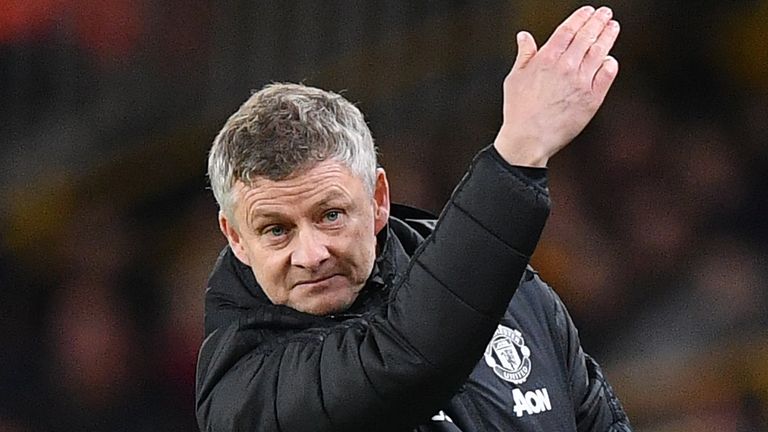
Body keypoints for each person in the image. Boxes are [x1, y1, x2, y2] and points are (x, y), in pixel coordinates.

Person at [196, 5, 631, 431]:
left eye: (330, 215)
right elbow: (405, 359)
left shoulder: (511, 288)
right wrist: (518, 153)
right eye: (276, 230)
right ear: (234, 237)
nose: (311, 255)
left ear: (379, 199)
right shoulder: (243, 392)